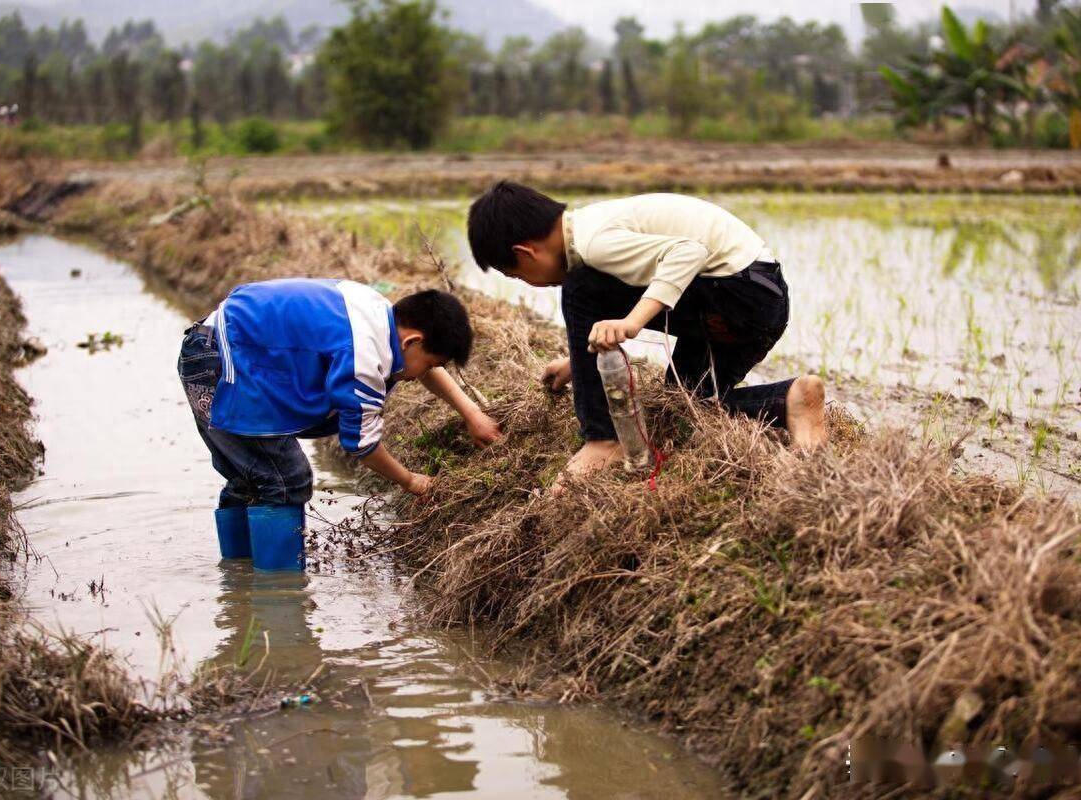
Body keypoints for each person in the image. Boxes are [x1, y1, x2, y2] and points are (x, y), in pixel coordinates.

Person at [466, 181, 827, 483]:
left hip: (737, 296)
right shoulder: (591, 226)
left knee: (581, 286)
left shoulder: (594, 242)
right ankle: (789, 398)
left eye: (517, 275)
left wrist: (632, 322)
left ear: (525, 252)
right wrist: (581, 359)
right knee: (683, 407)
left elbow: (689, 252)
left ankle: (604, 438)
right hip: (756, 303)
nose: (529, 283)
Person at [178, 279, 500, 569]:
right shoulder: (364, 356)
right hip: (219, 365)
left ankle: (239, 581)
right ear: (412, 341)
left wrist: (472, 414)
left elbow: (424, 366)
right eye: (429, 363)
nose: (417, 377)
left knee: (252, 480)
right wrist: (412, 481)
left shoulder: (379, 313)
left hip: (211, 348)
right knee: (287, 480)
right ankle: (280, 601)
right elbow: (362, 444)